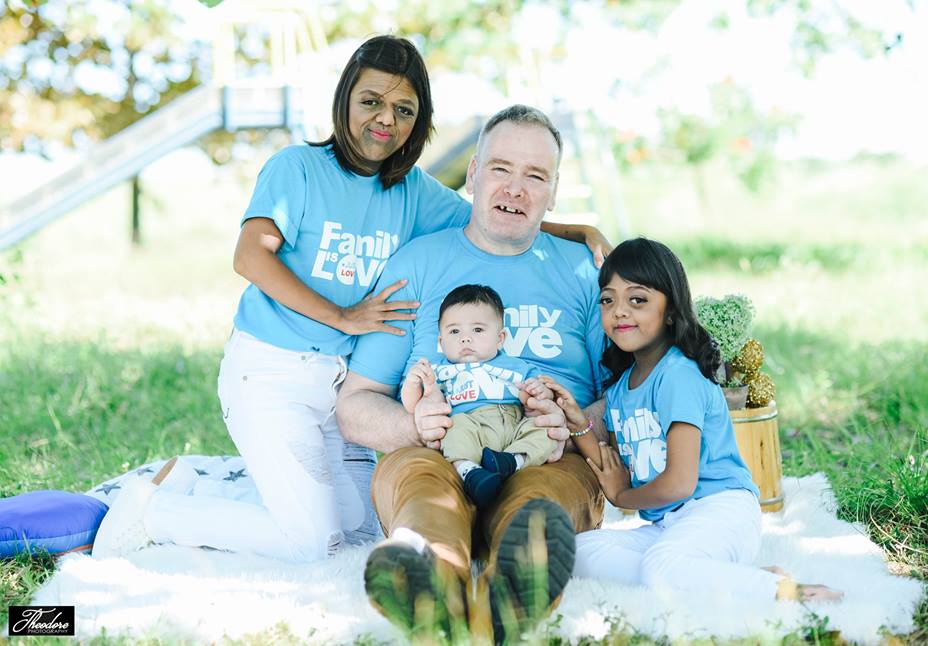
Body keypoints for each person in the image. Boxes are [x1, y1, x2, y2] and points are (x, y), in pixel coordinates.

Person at [93, 36, 609, 563]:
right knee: (313, 541)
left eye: (403, 109)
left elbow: (497, 214)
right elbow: (250, 257)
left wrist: (577, 230)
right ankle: (152, 511)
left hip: (337, 374)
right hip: (274, 370)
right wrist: (344, 316)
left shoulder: (413, 191)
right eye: (370, 102)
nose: (385, 119)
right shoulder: (298, 168)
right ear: (344, 100)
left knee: (360, 526)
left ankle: (201, 487)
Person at [336, 105, 609, 644]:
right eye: (502, 168)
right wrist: (414, 425)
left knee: (540, 499)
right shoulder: (417, 265)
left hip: (544, 454)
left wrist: (574, 421)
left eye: (536, 176)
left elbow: (629, 393)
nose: (516, 188)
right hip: (434, 455)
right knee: (420, 487)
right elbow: (355, 403)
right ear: (474, 173)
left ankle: (517, 579)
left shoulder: (585, 272)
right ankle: (427, 576)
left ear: (554, 193)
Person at [543, 236, 843, 603]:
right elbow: (609, 460)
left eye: (637, 299)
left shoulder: (678, 375)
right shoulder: (622, 388)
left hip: (721, 511)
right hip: (669, 524)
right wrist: (577, 420)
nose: (619, 310)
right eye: (608, 299)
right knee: (580, 551)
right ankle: (718, 577)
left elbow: (680, 483)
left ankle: (787, 591)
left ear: (670, 310)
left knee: (661, 568)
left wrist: (623, 496)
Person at [400, 283, 558, 509]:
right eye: (454, 331)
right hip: (469, 423)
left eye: (477, 330)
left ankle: (512, 461)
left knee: (547, 430)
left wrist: (540, 393)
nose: (465, 338)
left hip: (514, 425)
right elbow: (414, 406)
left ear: (500, 338)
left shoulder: (516, 366)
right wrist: (413, 383)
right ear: (441, 342)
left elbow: (540, 395)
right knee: (454, 429)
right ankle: (471, 472)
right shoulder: (439, 371)